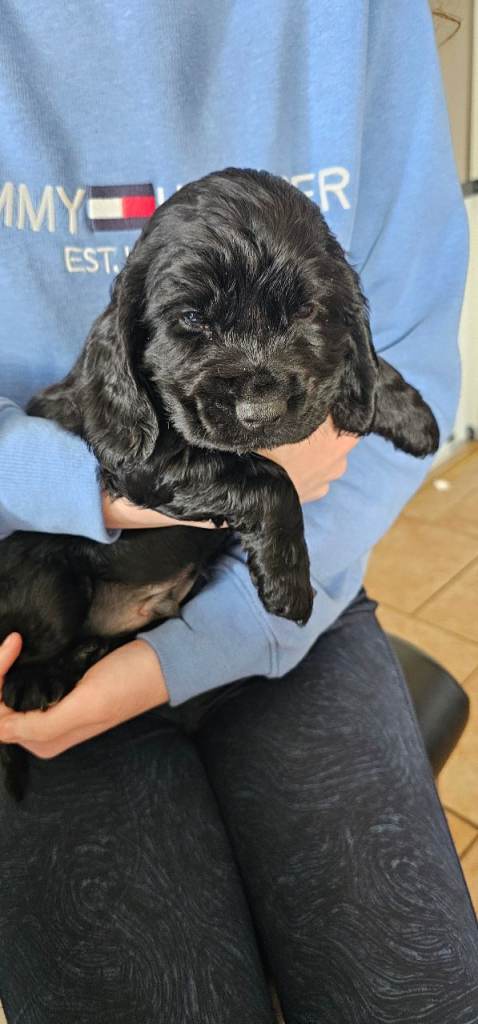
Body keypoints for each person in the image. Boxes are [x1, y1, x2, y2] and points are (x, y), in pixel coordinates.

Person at [1, 1, 477, 1021]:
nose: (257, 402)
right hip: (43, 607)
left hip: (283, 594)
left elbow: (398, 346)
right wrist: (82, 493)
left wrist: (191, 650)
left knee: (420, 992)